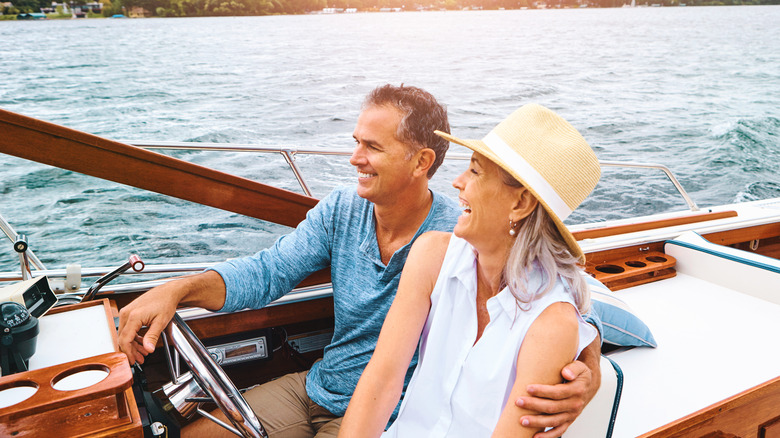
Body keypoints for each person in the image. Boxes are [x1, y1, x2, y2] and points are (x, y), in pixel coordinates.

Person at [117, 85, 601, 438]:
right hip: (319, 385)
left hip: (385, 417)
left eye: (372, 147)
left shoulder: (462, 232)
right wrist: (178, 288)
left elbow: (566, 299)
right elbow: (268, 272)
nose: (354, 158)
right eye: (355, 141)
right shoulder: (345, 211)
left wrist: (587, 362)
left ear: (421, 162)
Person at [339, 103, 601, 438]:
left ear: (520, 204)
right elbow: (383, 379)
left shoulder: (552, 324)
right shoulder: (431, 255)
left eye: (475, 172)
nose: (457, 182)